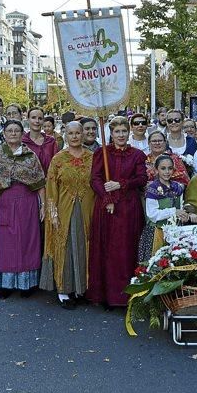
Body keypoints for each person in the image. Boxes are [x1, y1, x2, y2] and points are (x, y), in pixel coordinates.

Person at [0, 120, 46, 299]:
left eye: (17, 130)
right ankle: (4, 284)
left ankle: (26, 284)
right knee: (3, 245)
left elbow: (40, 184)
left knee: (26, 243)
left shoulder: (30, 156)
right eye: (10, 130)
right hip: (1, 202)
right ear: (4, 134)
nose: (13, 133)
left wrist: (44, 205)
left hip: (26, 203)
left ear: (23, 134)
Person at [87, 116, 148, 309]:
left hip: (129, 208)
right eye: (117, 132)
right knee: (107, 249)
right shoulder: (101, 153)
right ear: (111, 134)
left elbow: (141, 179)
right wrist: (107, 196)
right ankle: (106, 295)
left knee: (126, 249)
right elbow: (95, 178)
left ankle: (127, 295)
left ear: (129, 132)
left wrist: (120, 184)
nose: (121, 135)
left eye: (124, 131)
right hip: (106, 207)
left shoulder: (137, 155)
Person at [40, 122, 95, 309]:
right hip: (64, 209)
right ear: (65, 134)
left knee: (84, 245)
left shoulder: (92, 157)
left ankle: (82, 288)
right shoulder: (58, 159)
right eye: (70, 133)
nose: (74, 136)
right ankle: (64, 290)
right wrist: (53, 213)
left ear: (82, 134)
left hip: (88, 208)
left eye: (78, 133)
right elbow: (51, 188)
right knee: (65, 246)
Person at [139, 154, 193, 261]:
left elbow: (180, 206)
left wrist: (184, 214)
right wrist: (174, 212)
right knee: (157, 262)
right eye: (163, 168)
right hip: (157, 232)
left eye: (170, 168)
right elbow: (152, 215)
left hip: (175, 231)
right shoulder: (152, 189)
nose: (167, 172)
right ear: (156, 170)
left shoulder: (177, 187)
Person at [22, 107, 57, 175]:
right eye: (33, 118)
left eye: (40, 118)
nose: (37, 121)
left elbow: (57, 164)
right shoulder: (22, 142)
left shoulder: (51, 141)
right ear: (28, 119)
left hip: (48, 182)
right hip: (27, 183)